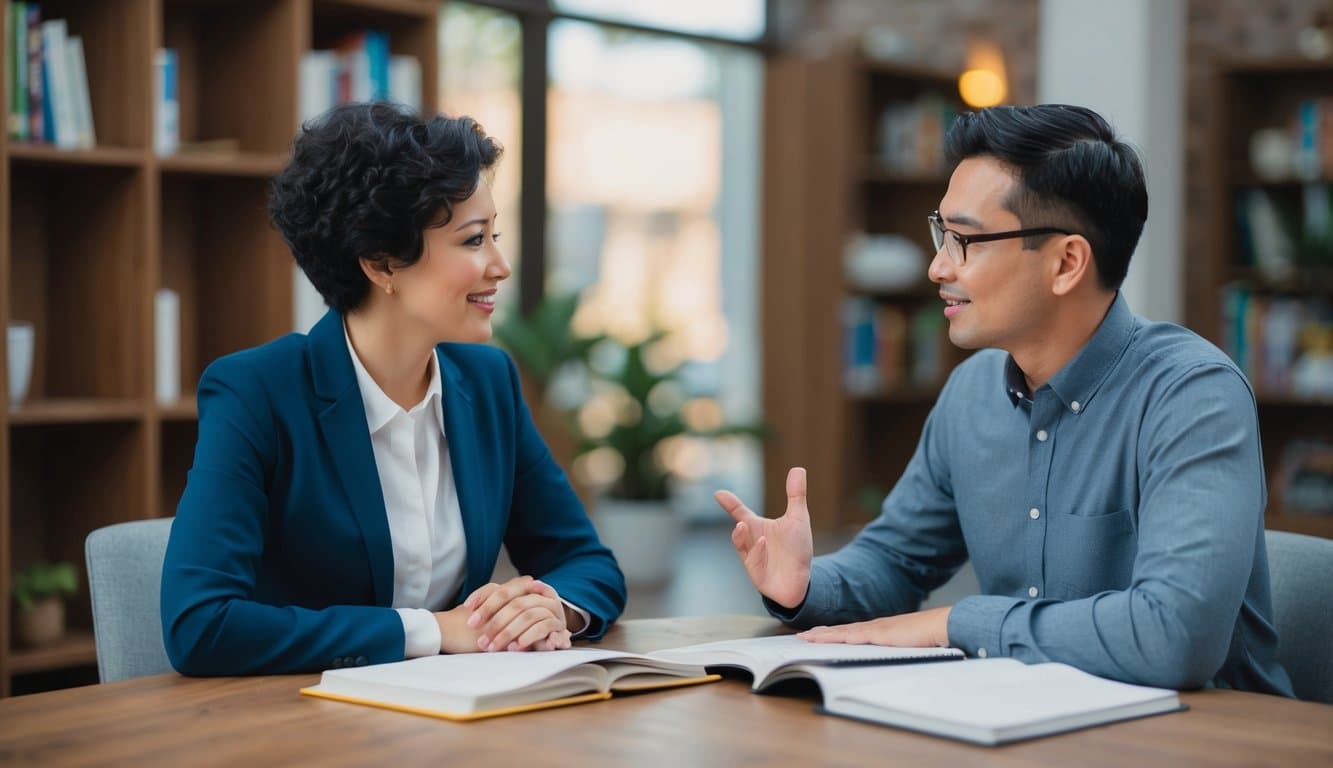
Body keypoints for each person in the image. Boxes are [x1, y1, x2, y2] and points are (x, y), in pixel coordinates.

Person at [716, 104, 1293, 695]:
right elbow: (897, 562)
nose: (939, 266)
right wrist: (805, 584)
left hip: (1208, 739)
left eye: (965, 240)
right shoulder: (971, 392)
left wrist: (955, 623)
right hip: (1027, 724)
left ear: (1067, 262)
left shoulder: (1191, 395)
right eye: (942, 233)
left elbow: (1175, 636)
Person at [161, 103, 626, 675]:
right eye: (474, 240)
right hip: (300, 728)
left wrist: (550, 608)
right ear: (382, 264)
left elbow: (586, 562)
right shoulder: (257, 393)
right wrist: (433, 631)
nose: (501, 266)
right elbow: (200, 624)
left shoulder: (490, 383)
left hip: (459, 718)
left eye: (494, 236)